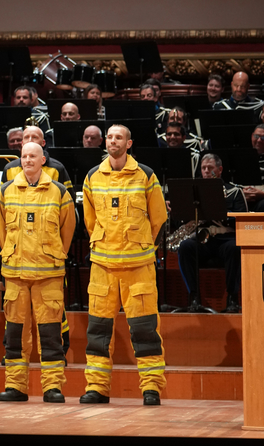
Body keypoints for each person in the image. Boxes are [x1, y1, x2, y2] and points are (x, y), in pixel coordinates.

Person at [80, 124, 167, 406]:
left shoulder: (146, 175)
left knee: (144, 330)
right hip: (103, 265)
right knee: (98, 331)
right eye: (109, 136)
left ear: (129, 144)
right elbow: (90, 221)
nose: (112, 140)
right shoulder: (93, 176)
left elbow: (158, 218)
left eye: (119, 137)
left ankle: (151, 388)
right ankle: (97, 388)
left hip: (137, 266)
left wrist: (139, 244)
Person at [0, 140, 76, 403]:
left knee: (51, 334)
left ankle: (52, 386)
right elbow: (0, 231)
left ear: (43, 160)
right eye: (24, 156)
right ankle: (16, 386)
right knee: (15, 335)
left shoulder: (60, 192)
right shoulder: (5, 190)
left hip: (48, 273)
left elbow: (68, 230)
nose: (27, 160)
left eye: (33, 156)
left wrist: (55, 254)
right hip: (15, 274)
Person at [177, 153, 245, 313]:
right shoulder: (194, 193)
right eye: (203, 168)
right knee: (185, 247)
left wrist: (219, 212)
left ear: (220, 170)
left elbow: (241, 221)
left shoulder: (234, 192)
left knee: (234, 248)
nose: (206, 171)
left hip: (226, 238)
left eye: (210, 168)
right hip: (203, 239)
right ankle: (194, 298)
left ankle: (232, 299)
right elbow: (183, 218)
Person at [3, 125, 73, 192]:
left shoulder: (57, 168)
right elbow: (2, 198)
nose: (30, 140)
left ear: (43, 143)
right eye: (26, 137)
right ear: (22, 143)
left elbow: (68, 199)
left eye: (35, 137)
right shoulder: (9, 168)